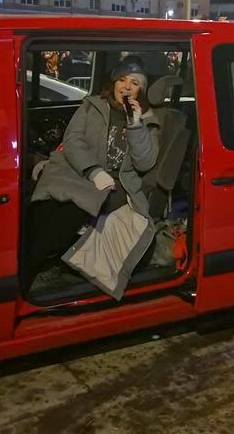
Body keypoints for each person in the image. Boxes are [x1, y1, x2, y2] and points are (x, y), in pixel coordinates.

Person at [30, 56, 161, 297]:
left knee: (75, 206)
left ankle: (31, 264)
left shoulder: (148, 121)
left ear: (141, 90)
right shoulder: (93, 105)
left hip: (117, 182)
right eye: (122, 80)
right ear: (114, 83)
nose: (127, 87)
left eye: (134, 83)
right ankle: (34, 260)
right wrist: (93, 170)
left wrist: (135, 125)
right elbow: (72, 140)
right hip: (82, 170)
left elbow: (144, 163)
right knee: (47, 203)